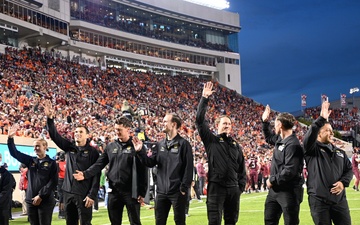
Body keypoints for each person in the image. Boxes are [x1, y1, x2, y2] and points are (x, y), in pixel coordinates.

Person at [73, 117, 148, 225]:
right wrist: (85, 174)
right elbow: (99, 164)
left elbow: (143, 169)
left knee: (135, 222)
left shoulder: (136, 145)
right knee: (114, 222)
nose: (117, 132)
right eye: (116, 129)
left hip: (131, 191)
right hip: (114, 191)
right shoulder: (110, 146)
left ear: (128, 129)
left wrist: (142, 191)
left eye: (120, 130)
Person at [195, 82, 246, 225]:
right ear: (217, 126)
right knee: (214, 221)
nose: (227, 126)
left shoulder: (236, 145)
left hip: (233, 189)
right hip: (216, 188)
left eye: (229, 124)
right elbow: (199, 121)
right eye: (224, 124)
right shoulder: (211, 140)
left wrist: (239, 187)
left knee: (231, 221)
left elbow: (242, 169)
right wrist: (204, 98)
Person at [44, 100, 100, 225]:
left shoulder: (93, 152)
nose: (77, 134)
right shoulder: (69, 148)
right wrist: (50, 119)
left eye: (81, 132)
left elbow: (96, 174)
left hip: (84, 194)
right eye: (76, 132)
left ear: (87, 135)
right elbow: (55, 136)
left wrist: (92, 195)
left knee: (85, 223)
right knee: (70, 222)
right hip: (68, 193)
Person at [134, 113, 193, 225]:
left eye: (166, 121)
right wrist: (140, 151)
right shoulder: (159, 145)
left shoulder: (184, 144)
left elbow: (188, 168)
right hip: (161, 192)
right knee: (159, 222)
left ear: (174, 124)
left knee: (179, 221)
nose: (163, 123)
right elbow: (150, 163)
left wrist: (184, 187)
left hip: (177, 191)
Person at [303, 101, 353, 225]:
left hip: (339, 200)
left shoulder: (340, 152)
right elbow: (308, 138)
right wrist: (321, 119)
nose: (331, 133)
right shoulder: (311, 149)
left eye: (332, 130)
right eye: (327, 131)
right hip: (319, 201)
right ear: (318, 133)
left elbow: (349, 170)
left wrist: (343, 183)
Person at [261, 104, 304, 225]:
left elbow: (290, 170)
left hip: (289, 191)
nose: (274, 126)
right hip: (275, 191)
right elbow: (269, 138)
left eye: (275, 123)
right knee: (269, 220)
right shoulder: (281, 140)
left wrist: (272, 180)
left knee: (290, 222)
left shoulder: (293, 145)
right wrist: (265, 122)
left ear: (280, 125)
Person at [7, 125, 57, 225]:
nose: (35, 148)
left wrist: (40, 195)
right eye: (34, 146)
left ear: (45, 147)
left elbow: (53, 182)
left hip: (45, 201)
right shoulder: (31, 161)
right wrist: (10, 139)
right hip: (31, 200)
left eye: (38, 146)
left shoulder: (52, 163)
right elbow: (15, 153)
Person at [56, 151, 66, 219]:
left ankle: (64, 211)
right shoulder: (57, 163)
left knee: (65, 197)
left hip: (66, 180)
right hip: (60, 180)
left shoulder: (67, 163)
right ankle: (61, 212)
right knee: (61, 197)